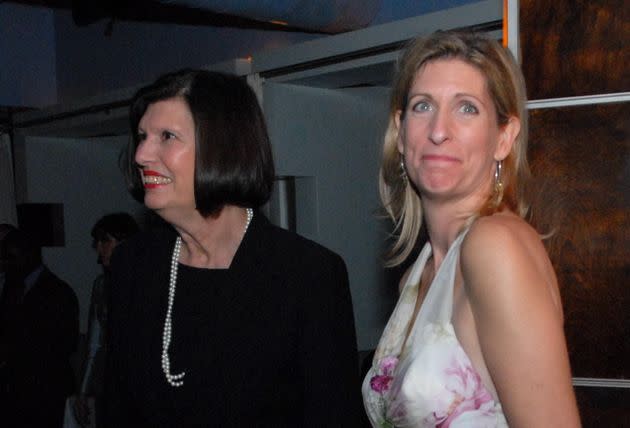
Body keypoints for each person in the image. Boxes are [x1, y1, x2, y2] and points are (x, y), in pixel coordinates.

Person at [105, 69, 362, 427]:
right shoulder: (133, 265)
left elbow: (333, 416)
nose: (142, 154)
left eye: (167, 137)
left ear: (222, 148)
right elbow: (115, 408)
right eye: (142, 136)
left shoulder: (306, 275)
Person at [362, 31, 581, 427]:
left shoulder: (494, 247)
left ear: (503, 138)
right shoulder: (418, 276)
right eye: (423, 105)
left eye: (466, 109)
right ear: (401, 129)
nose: (438, 130)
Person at [0, 227, 79, 428]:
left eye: (10, 257)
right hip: (17, 389)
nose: (5, 263)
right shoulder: (12, 289)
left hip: (46, 390)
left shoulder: (58, 293)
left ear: (29, 255)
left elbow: (66, 344)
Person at [73, 213, 138, 427]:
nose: (100, 249)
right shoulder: (102, 286)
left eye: (105, 241)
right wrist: (83, 391)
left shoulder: (149, 281)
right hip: (110, 385)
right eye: (98, 242)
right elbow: (95, 341)